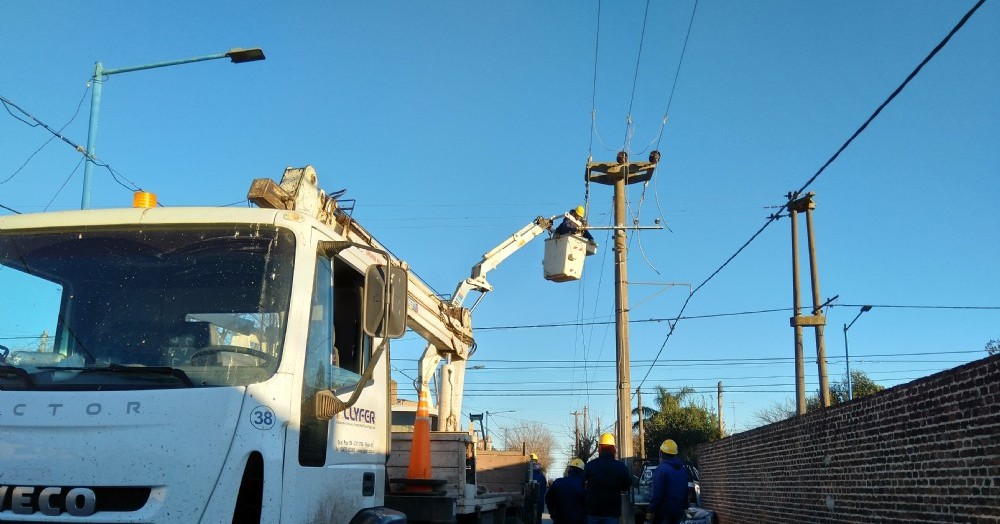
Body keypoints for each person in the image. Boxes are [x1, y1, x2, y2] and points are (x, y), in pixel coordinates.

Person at [583, 433, 632, 524]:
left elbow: (581, 483)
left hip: (593, 511)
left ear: (599, 448)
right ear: (614, 449)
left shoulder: (590, 465)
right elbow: (626, 486)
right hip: (612, 512)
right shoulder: (620, 467)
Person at [646, 439, 689, 524]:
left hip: (664, 513)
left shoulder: (661, 469)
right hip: (679, 511)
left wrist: (651, 509)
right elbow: (685, 490)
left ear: (661, 452)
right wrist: (684, 507)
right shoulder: (682, 469)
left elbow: (657, 494)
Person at [546, 458, 587, 524]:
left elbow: (548, 499)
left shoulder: (558, 482)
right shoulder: (585, 485)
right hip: (579, 520)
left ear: (570, 469)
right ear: (583, 471)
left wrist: (552, 513)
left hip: (560, 519)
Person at [531, 453, 547, 524]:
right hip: (539, 501)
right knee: (538, 519)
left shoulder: (526, 473)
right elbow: (544, 490)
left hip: (528, 502)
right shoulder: (541, 476)